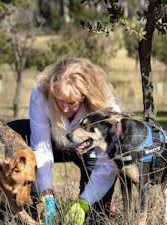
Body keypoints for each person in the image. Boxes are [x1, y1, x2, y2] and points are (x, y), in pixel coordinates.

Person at [7, 57, 120, 225]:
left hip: (90, 149)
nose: (65, 108)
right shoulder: (40, 93)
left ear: (84, 97)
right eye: (59, 100)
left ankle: (100, 204)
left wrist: (85, 201)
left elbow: (107, 161)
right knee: (13, 132)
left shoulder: (105, 104)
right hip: (55, 141)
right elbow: (41, 148)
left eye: (72, 103)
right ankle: (22, 203)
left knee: (97, 215)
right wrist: (46, 194)